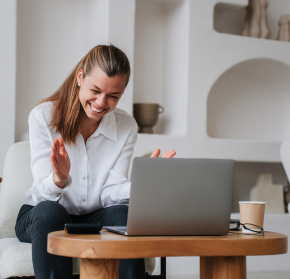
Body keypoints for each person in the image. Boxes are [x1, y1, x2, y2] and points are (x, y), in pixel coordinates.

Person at [15, 45, 176, 279]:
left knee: (122, 214)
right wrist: (58, 179)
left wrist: (143, 185)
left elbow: (111, 193)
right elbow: (42, 196)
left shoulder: (126, 126)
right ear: (80, 77)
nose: (101, 103)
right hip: (40, 215)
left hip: (94, 217)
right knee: (50, 212)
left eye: (113, 96)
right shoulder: (43, 117)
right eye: (96, 90)